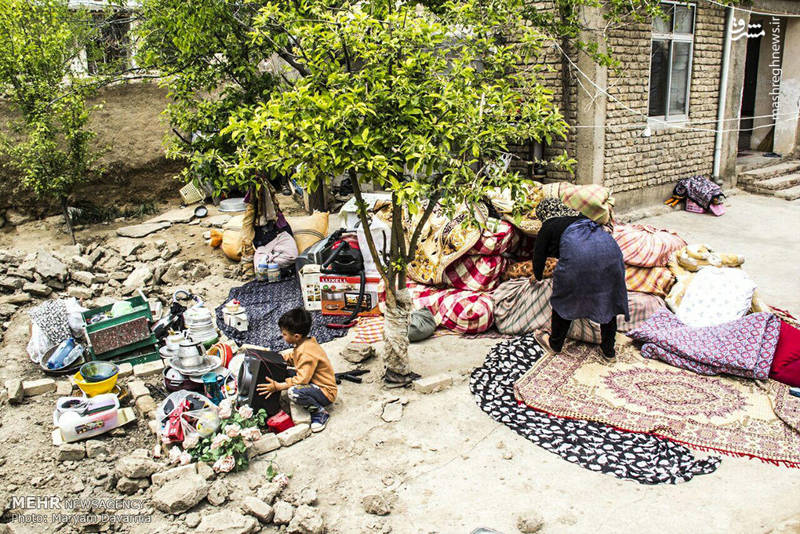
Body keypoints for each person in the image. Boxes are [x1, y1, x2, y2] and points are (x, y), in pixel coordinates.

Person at [532, 215, 629, 359]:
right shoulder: (582, 220)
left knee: (565, 298)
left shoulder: (547, 227)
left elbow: (538, 255)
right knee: (607, 301)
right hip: (611, 254)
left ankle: (555, 344)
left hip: (582, 258)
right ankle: (609, 352)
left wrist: (538, 276)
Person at [256, 308, 337, 432]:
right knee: (285, 371)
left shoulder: (306, 352)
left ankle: (319, 413)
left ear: (296, 336)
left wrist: (278, 386)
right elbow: (294, 357)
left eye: (284, 334)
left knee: (294, 392)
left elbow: (302, 380)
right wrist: (278, 358)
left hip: (325, 392)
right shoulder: (303, 344)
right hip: (312, 382)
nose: (282, 336)